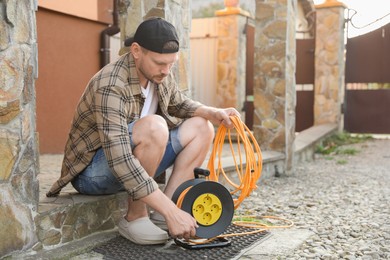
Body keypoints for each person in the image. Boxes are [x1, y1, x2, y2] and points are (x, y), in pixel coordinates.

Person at [46, 17, 240, 245]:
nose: (166, 71)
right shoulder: (111, 85)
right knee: (154, 127)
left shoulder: (157, 73)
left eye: (171, 64)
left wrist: (212, 112)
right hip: (93, 175)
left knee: (201, 126)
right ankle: (135, 218)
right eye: (160, 63)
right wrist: (172, 212)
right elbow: (120, 160)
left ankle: (161, 214)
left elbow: (178, 103)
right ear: (136, 51)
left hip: (131, 162)